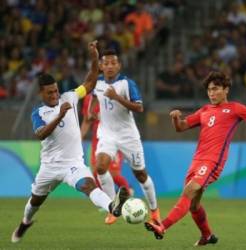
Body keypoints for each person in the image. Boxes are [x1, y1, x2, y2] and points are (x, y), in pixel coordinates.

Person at [144, 71, 246, 246]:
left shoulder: (235, 108)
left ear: (226, 90)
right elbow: (181, 127)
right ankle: (207, 236)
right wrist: (175, 119)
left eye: (215, 89)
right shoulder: (204, 110)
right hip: (196, 161)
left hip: (212, 162)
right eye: (209, 90)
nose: (211, 93)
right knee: (194, 205)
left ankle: (162, 226)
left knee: (188, 191)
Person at [11, 41, 130, 243]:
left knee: (89, 186)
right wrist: (59, 116)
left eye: (56, 90)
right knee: (35, 201)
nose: (55, 95)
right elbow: (40, 134)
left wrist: (94, 57)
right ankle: (24, 223)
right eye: (50, 92)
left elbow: (91, 81)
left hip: (73, 164)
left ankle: (113, 207)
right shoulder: (38, 113)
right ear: (41, 93)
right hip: (49, 167)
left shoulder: (70, 97)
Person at [91, 49, 160, 224]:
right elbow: (93, 98)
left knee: (141, 175)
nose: (109, 66)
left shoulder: (127, 84)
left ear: (119, 65)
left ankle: (154, 211)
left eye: (113, 63)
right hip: (107, 133)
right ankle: (114, 207)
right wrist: (92, 111)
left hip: (128, 136)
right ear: (101, 66)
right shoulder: (97, 83)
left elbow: (139, 108)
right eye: (106, 63)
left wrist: (116, 97)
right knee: (100, 167)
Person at [80, 93, 132, 224]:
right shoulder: (89, 98)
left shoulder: (115, 92)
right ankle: (110, 204)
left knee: (113, 174)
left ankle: (127, 195)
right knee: (97, 172)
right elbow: (87, 120)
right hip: (97, 141)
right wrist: (78, 138)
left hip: (114, 140)